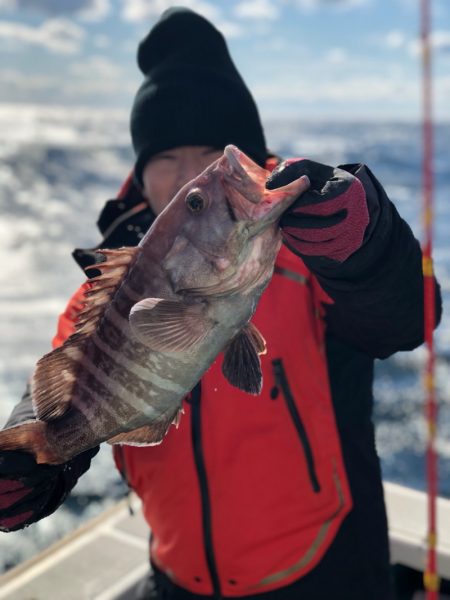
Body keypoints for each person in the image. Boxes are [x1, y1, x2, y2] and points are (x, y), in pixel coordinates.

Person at [0, 7, 442, 600]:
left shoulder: (318, 260)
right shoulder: (99, 291)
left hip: (325, 572)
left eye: (213, 149)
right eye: (168, 162)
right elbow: (64, 383)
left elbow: (409, 318)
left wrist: (368, 248)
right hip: (178, 577)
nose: (198, 171)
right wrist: (33, 457)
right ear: (140, 174)